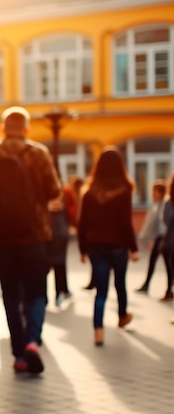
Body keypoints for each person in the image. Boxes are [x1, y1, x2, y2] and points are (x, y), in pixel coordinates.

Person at [0, 106, 62, 374]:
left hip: (3, 237)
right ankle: (33, 341)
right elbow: (54, 190)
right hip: (35, 234)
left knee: (11, 293)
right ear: (27, 128)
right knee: (36, 292)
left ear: (2, 128)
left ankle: (19, 353)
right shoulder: (39, 153)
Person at [77, 146, 139, 346]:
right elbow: (125, 223)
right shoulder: (125, 190)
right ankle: (122, 316)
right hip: (118, 246)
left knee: (100, 291)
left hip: (96, 246)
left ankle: (98, 331)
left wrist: (82, 248)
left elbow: (83, 223)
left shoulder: (89, 192)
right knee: (120, 283)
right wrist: (134, 248)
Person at [136, 179, 171, 299]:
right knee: (157, 263)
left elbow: (161, 224)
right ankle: (148, 285)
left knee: (168, 264)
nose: (152, 194)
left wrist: (152, 240)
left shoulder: (165, 204)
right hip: (158, 239)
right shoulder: (156, 205)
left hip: (162, 238)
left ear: (160, 192)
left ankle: (167, 289)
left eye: (154, 191)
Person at [47, 190, 72, 307]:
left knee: (57, 265)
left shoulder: (44, 204)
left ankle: (58, 293)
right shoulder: (60, 195)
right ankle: (59, 293)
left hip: (54, 237)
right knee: (58, 265)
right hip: (55, 236)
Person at [156, 174, 174, 302]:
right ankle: (168, 290)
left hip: (170, 242)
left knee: (170, 269)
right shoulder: (168, 202)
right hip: (170, 242)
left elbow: (166, 219)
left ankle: (169, 290)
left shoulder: (169, 202)